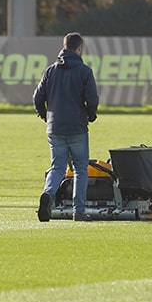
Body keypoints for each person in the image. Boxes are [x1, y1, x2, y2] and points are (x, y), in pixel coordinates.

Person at [33, 32, 99, 221]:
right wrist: (91, 114)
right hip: (77, 126)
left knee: (57, 167)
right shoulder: (84, 71)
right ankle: (78, 211)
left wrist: (45, 115)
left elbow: (37, 97)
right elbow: (92, 99)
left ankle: (48, 194)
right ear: (79, 49)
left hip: (55, 127)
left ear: (64, 47)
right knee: (80, 169)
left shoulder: (50, 70)